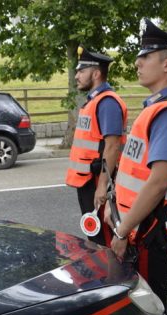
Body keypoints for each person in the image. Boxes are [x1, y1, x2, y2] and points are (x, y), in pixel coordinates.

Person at [105, 19, 167, 312]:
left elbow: (158, 183)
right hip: (134, 225)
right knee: (133, 312)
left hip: (145, 232)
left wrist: (123, 233)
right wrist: (113, 205)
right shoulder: (156, 109)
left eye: (145, 56)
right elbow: (135, 172)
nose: (137, 62)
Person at [66, 47, 127, 246]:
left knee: (104, 241)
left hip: (97, 182)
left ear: (96, 73)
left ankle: (111, 276)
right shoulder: (94, 101)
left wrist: (102, 187)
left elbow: (112, 146)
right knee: (95, 237)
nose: (76, 76)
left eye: (81, 71)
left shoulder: (107, 102)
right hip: (88, 181)